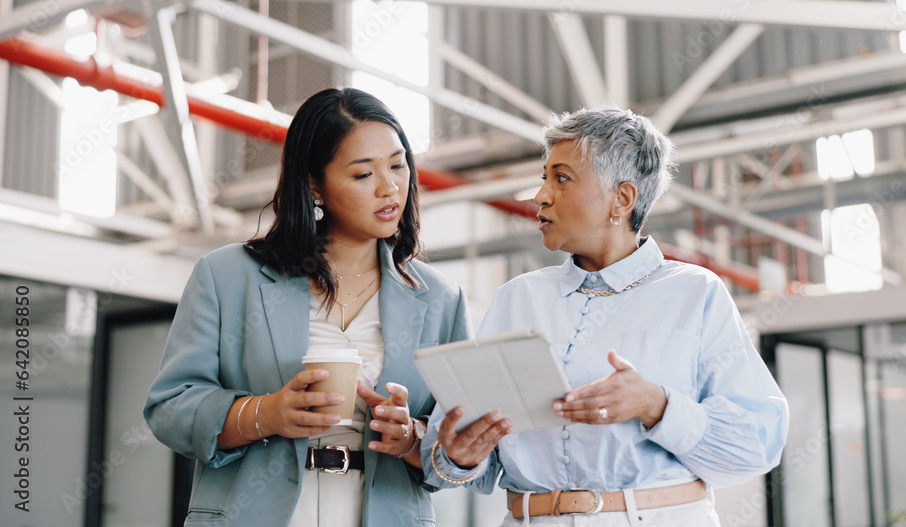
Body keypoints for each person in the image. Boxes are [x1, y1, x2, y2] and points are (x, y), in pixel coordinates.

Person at [422, 107, 789, 526]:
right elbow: (453, 460)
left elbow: (755, 448)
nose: (540, 195)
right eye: (544, 177)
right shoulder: (516, 298)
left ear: (623, 198)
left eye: (561, 178)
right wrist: (459, 457)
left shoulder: (695, 293)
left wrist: (657, 405)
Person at [144, 87, 472, 527]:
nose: (390, 186)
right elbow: (170, 409)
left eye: (398, 164)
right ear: (315, 185)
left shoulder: (441, 298)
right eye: (362, 175)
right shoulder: (227, 276)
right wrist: (267, 413)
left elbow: (463, 450)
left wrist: (411, 438)